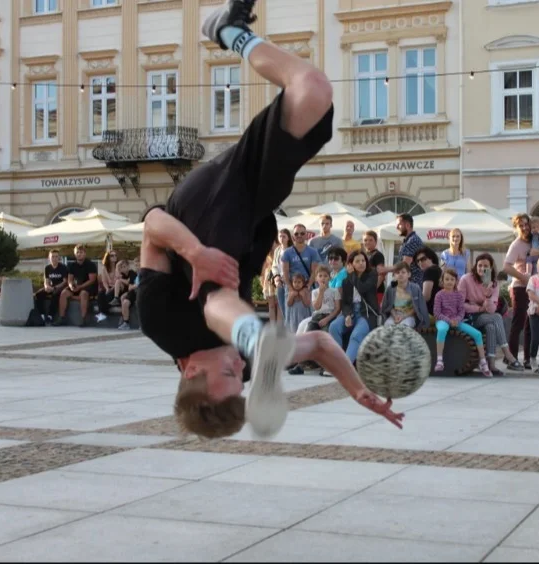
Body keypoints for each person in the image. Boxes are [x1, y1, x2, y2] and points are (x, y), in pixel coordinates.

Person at [136, 1, 403, 440]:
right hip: (251, 212)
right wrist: (357, 390)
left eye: (228, 369)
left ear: (190, 373)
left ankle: (246, 331)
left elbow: (152, 224)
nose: (238, 369)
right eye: (241, 373)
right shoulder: (243, 367)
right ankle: (230, 33)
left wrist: (194, 252)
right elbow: (318, 343)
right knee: (312, 88)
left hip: (203, 210)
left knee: (214, 298)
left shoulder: (159, 323)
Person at [458, 253, 524, 374]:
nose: (482, 269)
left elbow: (492, 310)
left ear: (491, 268)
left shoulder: (493, 283)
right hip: (468, 318)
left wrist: (488, 296)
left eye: (486, 266)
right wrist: (478, 308)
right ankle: (508, 354)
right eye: (480, 265)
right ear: (475, 266)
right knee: (497, 317)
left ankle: (492, 365)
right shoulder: (466, 279)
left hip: (486, 317)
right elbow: (460, 304)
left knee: (491, 326)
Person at [433, 268, 492, 376]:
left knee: (477, 334)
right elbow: (437, 313)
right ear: (442, 281)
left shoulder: (459, 295)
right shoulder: (439, 295)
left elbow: (461, 311)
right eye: (447, 279)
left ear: (456, 281)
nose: (449, 282)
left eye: (452, 279)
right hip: (443, 320)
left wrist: (457, 320)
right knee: (442, 329)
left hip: (456, 321)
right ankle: (439, 360)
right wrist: (449, 321)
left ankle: (483, 362)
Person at [328, 250, 382, 364]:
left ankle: (344, 367)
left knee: (356, 335)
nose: (361, 263)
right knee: (333, 327)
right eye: (357, 261)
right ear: (351, 264)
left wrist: (352, 275)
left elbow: (362, 288)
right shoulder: (346, 279)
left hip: (366, 314)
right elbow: (345, 302)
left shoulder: (372, 275)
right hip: (352, 312)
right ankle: (337, 361)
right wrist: (347, 315)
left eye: (363, 260)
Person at [503, 213, 532, 369]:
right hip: (520, 288)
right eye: (521, 225)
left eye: (526, 224)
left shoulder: (533, 242)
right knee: (518, 323)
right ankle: (511, 359)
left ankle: (528, 359)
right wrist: (522, 277)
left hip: (533, 287)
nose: (525, 227)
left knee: (531, 324)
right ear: (516, 227)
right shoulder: (516, 245)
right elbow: (506, 266)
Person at [55, 244, 98, 327]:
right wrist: (71, 286)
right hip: (77, 286)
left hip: (89, 287)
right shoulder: (72, 265)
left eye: (81, 252)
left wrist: (80, 287)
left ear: (85, 253)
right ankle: (62, 317)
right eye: (77, 252)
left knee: (83, 294)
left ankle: (84, 319)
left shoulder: (91, 264)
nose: (79, 254)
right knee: (64, 293)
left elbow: (92, 280)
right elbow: (70, 279)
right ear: (75, 254)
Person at [381, 262, 429, 329]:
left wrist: (403, 316)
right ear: (394, 275)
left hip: (409, 315)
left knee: (403, 327)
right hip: (395, 314)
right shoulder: (390, 288)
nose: (400, 274)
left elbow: (418, 307)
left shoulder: (415, 288)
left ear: (409, 274)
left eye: (403, 272)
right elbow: (388, 305)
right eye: (397, 272)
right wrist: (395, 316)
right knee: (388, 326)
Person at [380, 214, 423, 285]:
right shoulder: (408, 240)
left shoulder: (413, 240)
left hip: (412, 284)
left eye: (399, 225)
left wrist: (384, 269)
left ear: (408, 225)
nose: (396, 227)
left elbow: (405, 265)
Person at [34, 249, 69, 325]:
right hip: (51, 287)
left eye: (56, 257)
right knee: (38, 294)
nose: (54, 258)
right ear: (49, 258)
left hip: (60, 288)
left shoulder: (63, 267)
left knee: (55, 294)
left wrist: (54, 288)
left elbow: (64, 281)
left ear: (59, 258)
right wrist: (47, 286)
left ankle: (50, 316)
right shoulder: (47, 268)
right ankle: (42, 315)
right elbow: (46, 280)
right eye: (52, 257)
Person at [414, 247, 443, 315]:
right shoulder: (438, 269)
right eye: (417, 261)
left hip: (430, 312)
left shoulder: (429, 271)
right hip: (440, 311)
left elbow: (426, 297)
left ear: (431, 258)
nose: (420, 262)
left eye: (423, 259)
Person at [362, 230, 386, 305]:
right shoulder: (364, 255)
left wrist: (373, 289)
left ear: (375, 242)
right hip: (365, 289)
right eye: (365, 240)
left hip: (376, 291)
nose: (367, 242)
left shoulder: (377, 255)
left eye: (370, 240)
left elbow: (381, 274)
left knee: (374, 313)